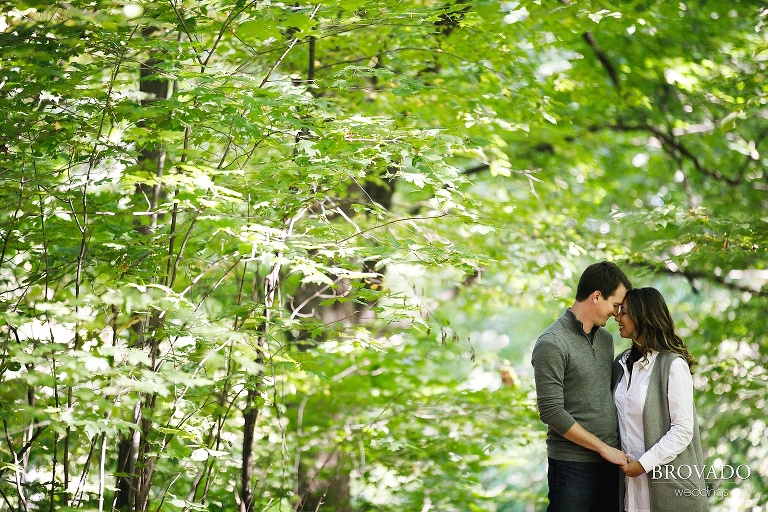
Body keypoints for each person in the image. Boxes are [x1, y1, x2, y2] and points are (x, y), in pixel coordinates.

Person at [532, 261, 632, 512]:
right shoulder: (552, 343)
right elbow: (551, 412)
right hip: (571, 467)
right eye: (615, 305)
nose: (617, 314)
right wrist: (602, 448)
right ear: (597, 296)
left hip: (611, 463)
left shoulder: (606, 340)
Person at [612, 287, 709, 512]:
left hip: (668, 486)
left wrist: (642, 465)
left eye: (624, 312)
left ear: (641, 317)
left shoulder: (673, 365)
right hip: (629, 487)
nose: (617, 317)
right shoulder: (621, 363)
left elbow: (683, 430)